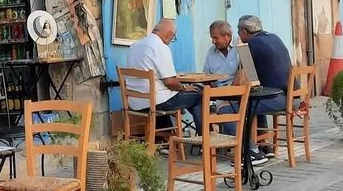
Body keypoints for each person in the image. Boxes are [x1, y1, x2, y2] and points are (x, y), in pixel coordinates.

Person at [219, 14, 295, 165]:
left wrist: (225, 96)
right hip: (292, 97)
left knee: (225, 110)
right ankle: (265, 146)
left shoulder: (248, 46)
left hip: (277, 98)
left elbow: (244, 78)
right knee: (254, 102)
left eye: (239, 32)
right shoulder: (275, 38)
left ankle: (251, 151)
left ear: (244, 32)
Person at [125, 18, 203, 133]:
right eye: (173, 37)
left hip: (135, 102)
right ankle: (205, 138)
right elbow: (170, 82)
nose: (171, 40)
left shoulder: (134, 46)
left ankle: (163, 138)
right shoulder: (160, 47)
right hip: (156, 103)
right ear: (169, 34)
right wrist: (184, 88)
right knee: (199, 95)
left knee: (165, 95)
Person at [203, 20, 238, 87]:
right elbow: (205, 74)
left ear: (227, 36)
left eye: (215, 38)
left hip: (236, 88)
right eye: (212, 38)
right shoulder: (211, 51)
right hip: (215, 89)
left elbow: (246, 75)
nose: (213, 41)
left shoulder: (240, 46)